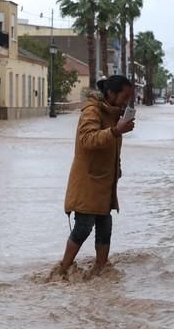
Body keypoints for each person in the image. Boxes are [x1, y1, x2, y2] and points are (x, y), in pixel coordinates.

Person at [56, 75, 135, 276]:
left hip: (106, 181)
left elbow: (112, 147)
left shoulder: (114, 114)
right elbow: (87, 140)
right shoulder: (92, 111)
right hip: (88, 181)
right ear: (111, 93)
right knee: (83, 227)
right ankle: (63, 270)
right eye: (124, 97)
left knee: (105, 225)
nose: (126, 101)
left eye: (129, 98)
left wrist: (117, 167)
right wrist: (116, 131)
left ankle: (101, 270)